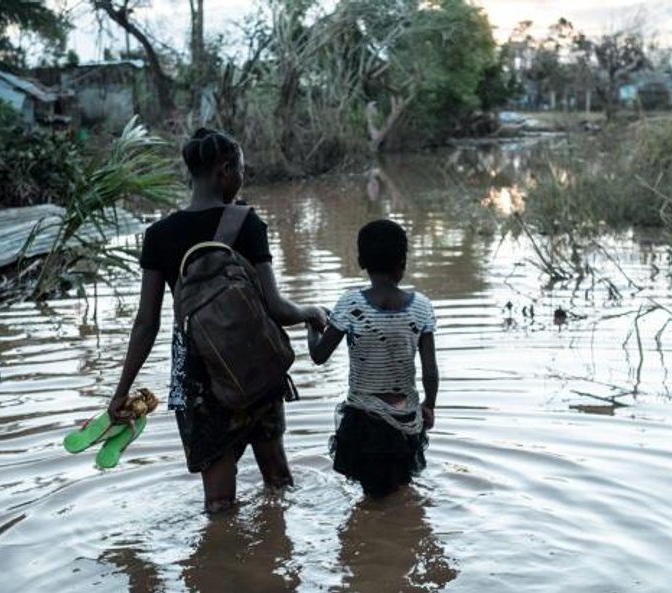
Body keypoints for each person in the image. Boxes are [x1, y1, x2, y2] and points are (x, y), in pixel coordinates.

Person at [107, 128, 327, 514]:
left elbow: (146, 323)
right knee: (278, 481)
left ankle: (223, 568)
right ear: (225, 170)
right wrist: (312, 312)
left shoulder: (158, 235)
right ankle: (279, 562)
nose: (243, 177)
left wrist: (121, 390)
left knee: (220, 503)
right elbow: (276, 308)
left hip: (198, 378)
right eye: (241, 170)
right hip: (256, 370)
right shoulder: (247, 222)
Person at [307, 219, 438, 497]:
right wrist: (430, 406)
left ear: (360, 260)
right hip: (407, 421)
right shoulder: (422, 308)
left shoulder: (350, 304)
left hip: (364, 423)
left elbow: (319, 356)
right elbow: (430, 370)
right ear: (403, 262)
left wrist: (312, 325)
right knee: (403, 491)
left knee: (372, 500)